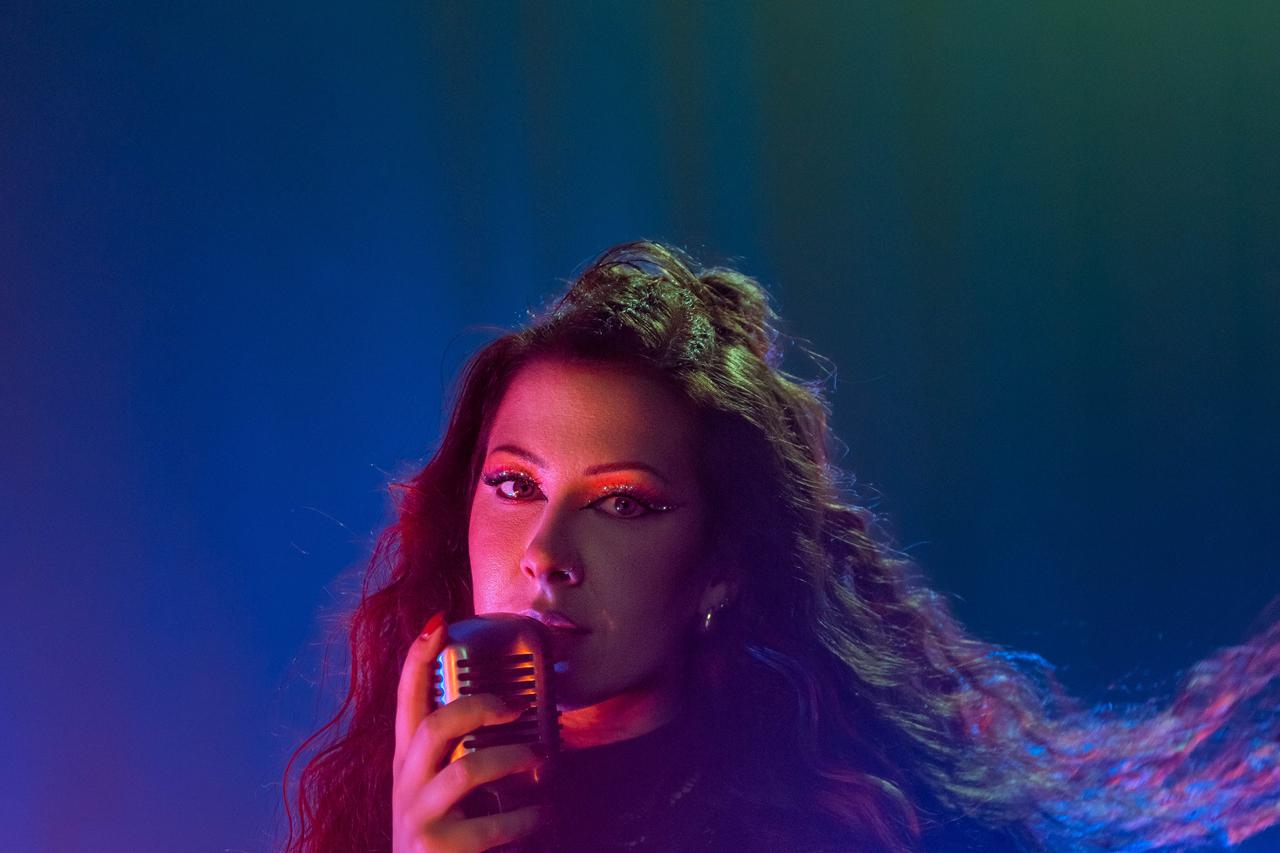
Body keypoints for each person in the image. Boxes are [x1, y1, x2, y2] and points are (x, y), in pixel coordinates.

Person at [282, 241, 1280, 852]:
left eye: (623, 503)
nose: (545, 551)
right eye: (514, 485)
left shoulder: (828, 826)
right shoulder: (387, 810)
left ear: (719, 567)